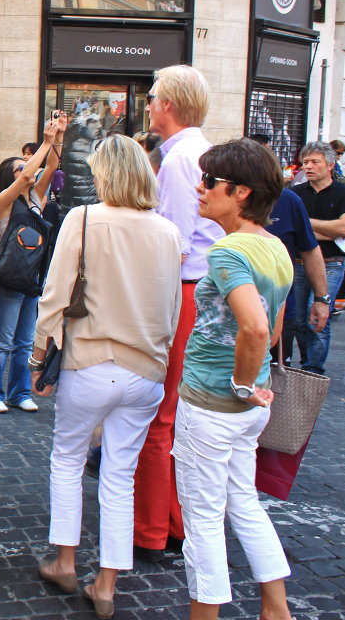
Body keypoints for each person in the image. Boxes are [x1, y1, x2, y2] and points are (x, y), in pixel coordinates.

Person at [30, 135, 182, 618]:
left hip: (92, 362)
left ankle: (66, 561)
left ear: (106, 174)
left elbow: (54, 293)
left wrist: (38, 356)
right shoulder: (167, 231)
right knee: (120, 475)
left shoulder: (85, 218)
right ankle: (108, 583)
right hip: (146, 371)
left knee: (68, 460)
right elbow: (174, 311)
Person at [173, 138, 293, 620]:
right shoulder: (273, 245)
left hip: (214, 403)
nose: (200, 189)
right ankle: (276, 609)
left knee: (203, 519)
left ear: (241, 192)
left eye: (210, 182)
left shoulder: (228, 251)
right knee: (243, 503)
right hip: (247, 409)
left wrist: (242, 384)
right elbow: (274, 324)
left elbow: (258, 326)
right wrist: (252, 385)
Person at [132, 64, 222, 564]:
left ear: (168, 105)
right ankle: (169, 521)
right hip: (194, 290)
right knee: (175, 413)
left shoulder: (181, 159)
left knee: (160, 414)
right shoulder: (193, 153)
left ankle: (152, 528)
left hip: (184, 291)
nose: (147, 104)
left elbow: (176, 242)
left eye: (151, 97)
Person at [0, 114, 65, 414]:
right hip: (9, 281)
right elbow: (25, 175)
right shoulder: (5, 200)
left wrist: (58, 137)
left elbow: (53, 166)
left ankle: (18, 393)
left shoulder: (37, 197)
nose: (28, 169)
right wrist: (44, 142)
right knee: (3, 342)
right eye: (20, 167)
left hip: (33, 280)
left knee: (24, 343)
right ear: (11, 176)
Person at [247, 135, 331, 363]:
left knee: (272, 383)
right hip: (230, 319)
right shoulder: (222, 200)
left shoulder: (288, 201)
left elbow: (310, 250)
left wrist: (322, 299)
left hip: (278, 315)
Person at [289, 141, 345, 374]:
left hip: (331, 265)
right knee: (297, 320)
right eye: (305, 162)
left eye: (315, 162)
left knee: (317, 314)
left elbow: (343, 227)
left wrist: (305, 223)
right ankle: (307, 362)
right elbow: (292, 229)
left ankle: (313, 369)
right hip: (298, 264)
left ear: (330, 164)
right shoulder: (294, 194)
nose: (308, 166)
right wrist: (327, 230)